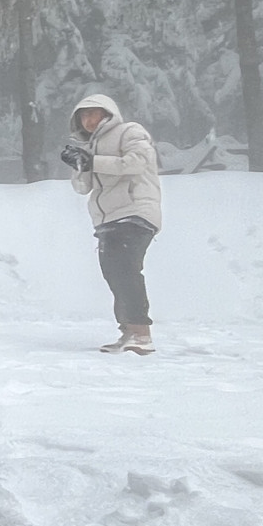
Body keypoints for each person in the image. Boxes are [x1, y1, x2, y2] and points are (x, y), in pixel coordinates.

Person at [61, 93, 162, 354]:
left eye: (93, 113)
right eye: (82, 116)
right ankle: (129, 330)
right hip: (107, 219)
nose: (87, 120)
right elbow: (82, 188)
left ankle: (142, 333)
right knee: (113, 273)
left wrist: (92, 161)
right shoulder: (90, 147)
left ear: (108, 113)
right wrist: (80, 165)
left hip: (135, 211)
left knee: (126, 270)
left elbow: (137, 162)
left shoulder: (129, 131)